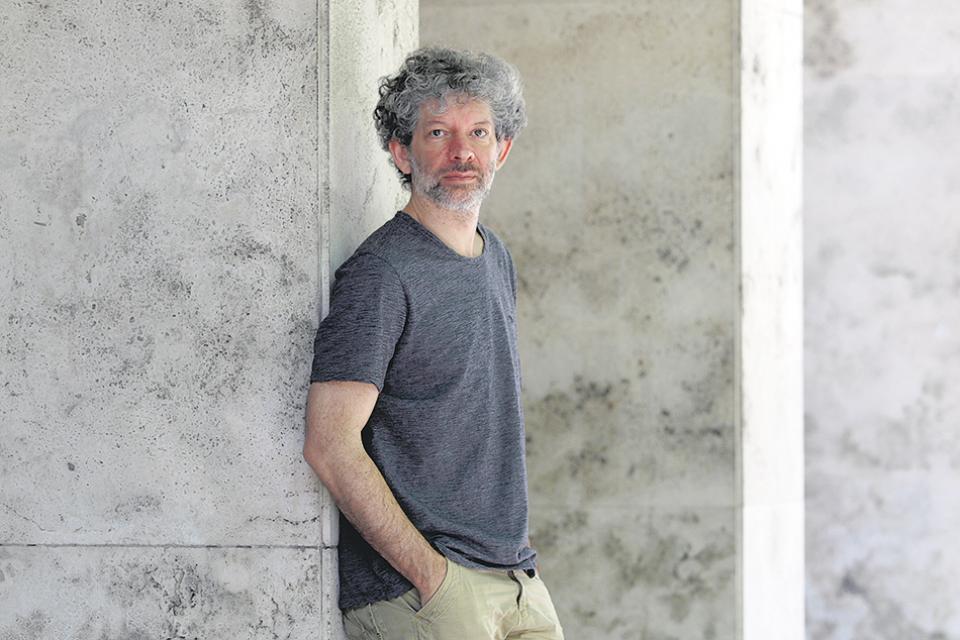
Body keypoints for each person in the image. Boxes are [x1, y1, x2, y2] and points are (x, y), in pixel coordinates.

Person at [303, 47, 564, 640]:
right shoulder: (381, 274)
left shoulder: (496, 257)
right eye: (438, 132)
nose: (461, 152)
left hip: (515, 579)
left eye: (478, 132)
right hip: (426, 595)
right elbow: (329, 443)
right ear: (402, 152)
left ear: (501, 149)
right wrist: (432, 578)